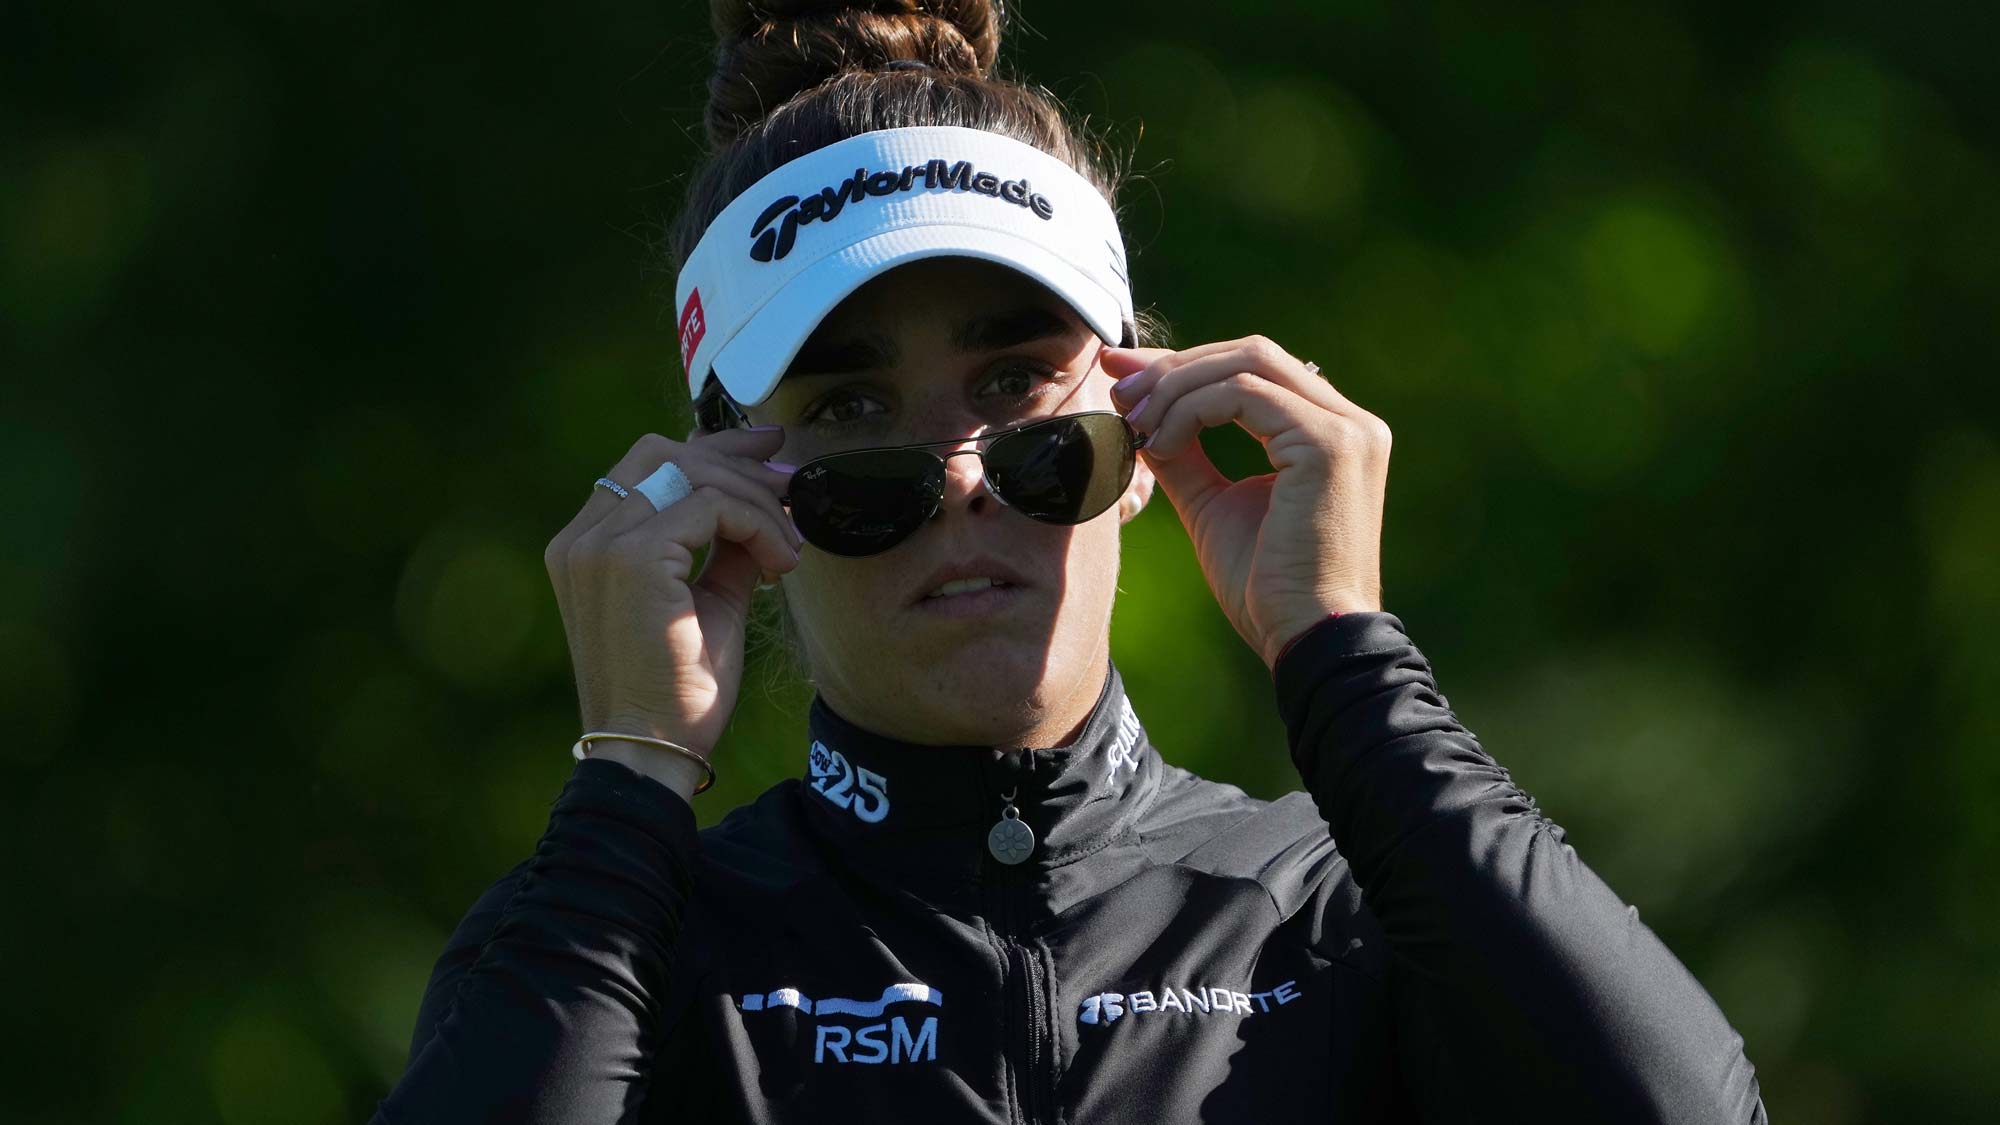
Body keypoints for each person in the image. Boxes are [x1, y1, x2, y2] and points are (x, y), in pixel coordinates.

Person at [372, 2, 1768, 1121]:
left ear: (1143, 425)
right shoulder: (635, 953)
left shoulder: (1341, 910)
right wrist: (630, 774)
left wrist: (1345, 650)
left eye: (1023, 392)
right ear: (729, 493)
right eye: (854, 417)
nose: (966, 479)